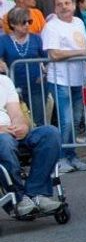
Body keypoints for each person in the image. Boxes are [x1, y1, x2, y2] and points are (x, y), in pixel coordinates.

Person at [41, 0, 86, 173]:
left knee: (76, 120)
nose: (64, 7)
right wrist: (79, 54)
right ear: (55, 7)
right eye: (60, 4)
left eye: (67, 3)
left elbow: (83, 45)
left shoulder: (78, 22)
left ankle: (72, 156)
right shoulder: (51, 27)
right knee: (66, 121)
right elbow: (54, 54)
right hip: (60, 80)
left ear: (73, 5)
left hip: (78, 78)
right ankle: (61, 158)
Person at [0, 72, 62, 217]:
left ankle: (36, 193)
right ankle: (19, 199)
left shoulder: (4, 81)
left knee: (50, 133)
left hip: (11, 132)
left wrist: (21, 125)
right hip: (3, 139)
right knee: (4, 141)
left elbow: (16, 112)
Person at [0, 6, 47, 126]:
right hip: (13, 86)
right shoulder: (4, 40)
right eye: (23, 22)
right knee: (17, 120)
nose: (27, 25)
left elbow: (47, 59)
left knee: (38, 120)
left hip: (36, 85)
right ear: (13, 24)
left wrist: (44, 74)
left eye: (29, 22)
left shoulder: (36, 39)